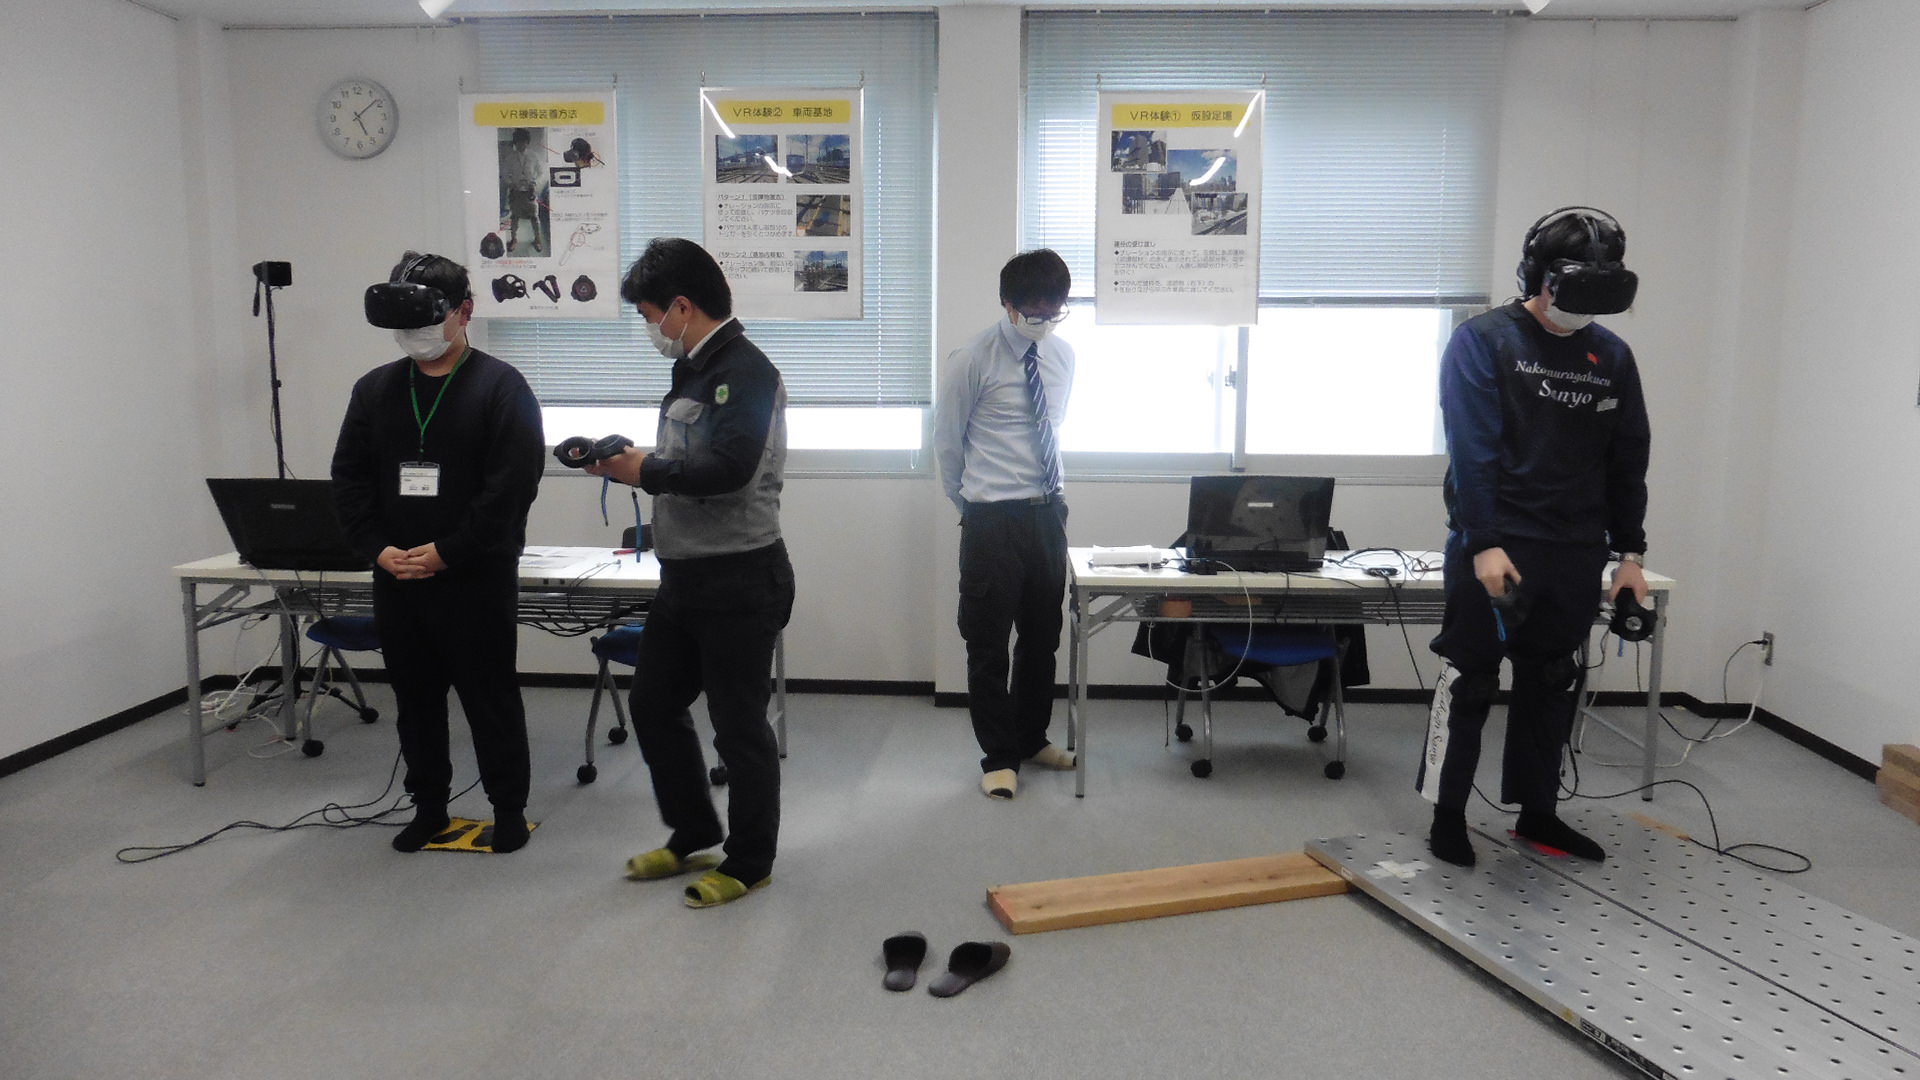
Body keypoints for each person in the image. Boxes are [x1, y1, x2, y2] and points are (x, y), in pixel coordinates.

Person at [1416, 207, 1652, 867]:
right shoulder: (1484, 341)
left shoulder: (1611, 355)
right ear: (1538, 277)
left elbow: (1628, 458)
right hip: (1497, 544)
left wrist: (1630, 554)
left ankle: (1538, 813)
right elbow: (1473, 451)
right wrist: (1483, 542)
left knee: (1552, 679)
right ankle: (1446, 816)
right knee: (1469, 680)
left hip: (1574, 548)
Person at [584, 238, 794, 908]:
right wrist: (634, 459)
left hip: (740, 577)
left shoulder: (746, 370)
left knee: (738, 727)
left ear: (681, 306)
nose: (650, 328)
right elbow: (688, 453)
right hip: (684, 577)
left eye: (650, 315)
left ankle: (750, 860)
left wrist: (645, 470)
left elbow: (730, 468)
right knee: (652, 703)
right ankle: (694, 831)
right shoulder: (692, 369)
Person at [332, 251, 546, 853]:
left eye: (426, 321)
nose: (415, 335)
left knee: (489, 697)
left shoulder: (501, 387)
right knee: (415, 701)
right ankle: (428, 807)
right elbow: (349, 479)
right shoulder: (374, 390)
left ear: (464, 312)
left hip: (475, 576)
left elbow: (511, 488)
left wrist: (449, 551)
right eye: (404, 325)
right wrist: (377, 548)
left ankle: (508, 808)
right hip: (399, 577)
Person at [932, 249, 1078, 800]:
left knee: (1042, 640)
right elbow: (947, 443)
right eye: (1033, 309)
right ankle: (998, 755)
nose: (1044, 318)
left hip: (1048, 513)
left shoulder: (1063, 356)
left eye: (1054, 309)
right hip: (991, 517)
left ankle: (1031, 737)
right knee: (988, 643)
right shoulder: (972, 358)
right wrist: (970, 505)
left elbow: (1052, 426)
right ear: (1007, 304)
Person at [502, 128, 545, 255]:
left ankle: (538, 240)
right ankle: (514, 239)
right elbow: (504, 174)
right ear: (515, 142)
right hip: (515, 192)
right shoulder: (510, 157)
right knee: (514, 217)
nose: (521, 144)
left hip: (530, 192)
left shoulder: (533, 156)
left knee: (534, 217)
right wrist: (511, 183)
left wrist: (534, 182)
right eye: (518, 142)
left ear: (527, 142)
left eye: (524, 142)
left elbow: (541, 172)